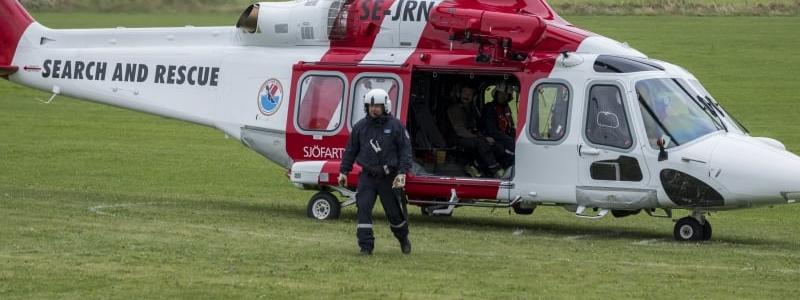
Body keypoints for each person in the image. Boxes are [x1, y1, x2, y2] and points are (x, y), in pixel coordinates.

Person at [338, 89, 413, 256]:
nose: (374, 109)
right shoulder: (360, 127)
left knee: (394, 214)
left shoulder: (396, 126)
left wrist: (402, 173)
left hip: (389, 177)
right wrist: (343, 171)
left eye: (377, 105)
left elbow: (405, 151)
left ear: (385, 105)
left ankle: (403, 238)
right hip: (367, 177)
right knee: (363, 208)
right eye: (371, 105)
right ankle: (366, 247)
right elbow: (350, 150)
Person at [447, 85, 505, 178]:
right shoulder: (455, 109)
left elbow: (476, 127)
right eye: (465, 93)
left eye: (470, 94)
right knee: (481, 142)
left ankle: (482, 168)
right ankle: (496, 170)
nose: (467, 96)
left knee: (496, 146)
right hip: (458, 138)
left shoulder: (471, 108)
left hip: (471, 136)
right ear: (458, 94)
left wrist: (485, 136)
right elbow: (460, 131)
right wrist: (482, 138)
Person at [481, 82, 516, 171]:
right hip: (493, 138)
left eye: (506, 95)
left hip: (504, 137)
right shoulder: (490, 108)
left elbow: (510, 126)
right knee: (512, 148)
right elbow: (491, 130)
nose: (503, 96)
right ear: (496, 94)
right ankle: (506, 170)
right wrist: (509, 140)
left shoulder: (506, 108)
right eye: (501, 93)